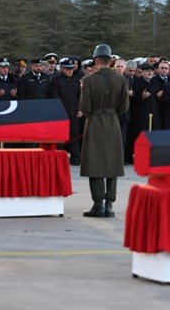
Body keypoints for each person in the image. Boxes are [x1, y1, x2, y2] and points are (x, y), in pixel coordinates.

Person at [79, 44, 129, 218]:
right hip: (113, 121)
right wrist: (111, 113)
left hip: (95, 122)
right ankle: (109, 205)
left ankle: (98, 205)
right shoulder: (121, 80)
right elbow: (124, 106)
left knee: (95, 163)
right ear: (110, 61)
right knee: (112, 164)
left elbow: (85, 107)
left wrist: (93, 113)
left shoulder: (88, 80)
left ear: (96, 60)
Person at [48, 59, 82, 166]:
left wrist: (80, 109)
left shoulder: (76, 80)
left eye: (71, 69)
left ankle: (75, 158)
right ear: (62, 69)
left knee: (75, 136)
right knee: (60, 138)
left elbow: (80, 97)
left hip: (74, 113)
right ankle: (60, 160)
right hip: (61, 113)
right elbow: (54, 97)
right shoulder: (56, 81)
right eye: (68, 69)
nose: (70, 71)